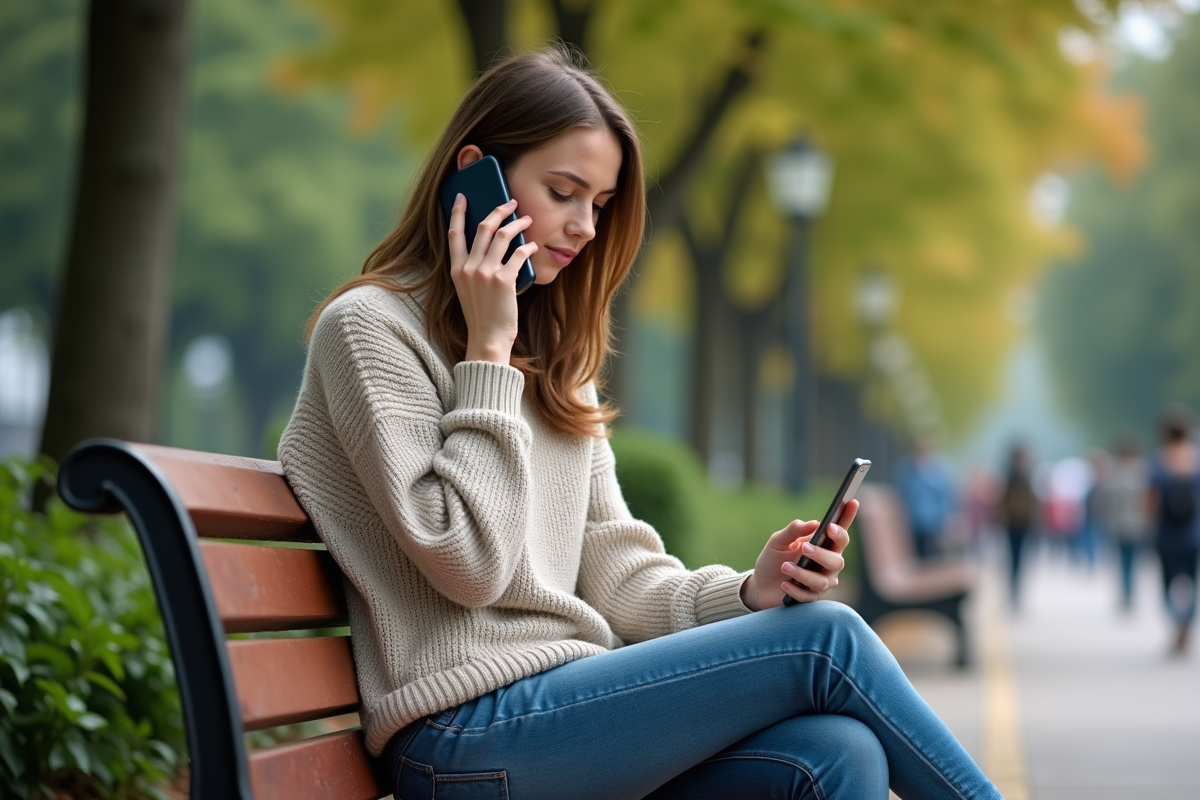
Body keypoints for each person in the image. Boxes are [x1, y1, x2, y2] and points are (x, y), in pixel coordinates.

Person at [278, 47, 999, 799]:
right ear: (475, 173)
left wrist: (751, 591)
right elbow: (468, 565)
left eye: (600, 203)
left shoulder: (555, 360)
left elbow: (619, 575)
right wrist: (488, 352)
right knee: (831, 641)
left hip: (561, 712)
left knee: (836, 751)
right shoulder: (368, 330)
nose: (586, 225)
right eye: (564, 192)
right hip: (459, 739)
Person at [1148, 406, 1200, 654]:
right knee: (1192, 582)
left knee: (1167, 584)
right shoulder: (1196, 459)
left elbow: (1151, 501)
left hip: (1167, 535)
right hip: (1194, 534)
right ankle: (1186, 622)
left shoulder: (1159, 461)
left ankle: (1176, 620)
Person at [1094, 437, 1150, 610]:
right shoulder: (1142, 472)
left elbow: (1103, 501)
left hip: (1119, 525)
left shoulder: (1114, 473)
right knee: (1130, 561)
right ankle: (1128, 593)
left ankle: (1126, 593)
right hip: (1135, 524)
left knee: (1123, 561)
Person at [894, 437, 956, 560]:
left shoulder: (937, 469)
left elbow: (944, 496)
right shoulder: (907, 470)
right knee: (919, 554)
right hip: (914, 526)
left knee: (933, 554)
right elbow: (903, 495)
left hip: (934, 525)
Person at [998, 442, 1038, 608]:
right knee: (1013, 558)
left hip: (1024, 522)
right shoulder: (1011, 475)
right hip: (1012, 522)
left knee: (1019, 558)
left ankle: (1017, 591)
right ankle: (1013, 590)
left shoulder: (1026, 474)